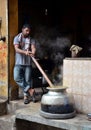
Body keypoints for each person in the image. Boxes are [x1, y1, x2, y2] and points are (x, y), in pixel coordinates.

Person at [13, 24, 36, 104]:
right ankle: (30, 90)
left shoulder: (31, 39)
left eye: (29, 31)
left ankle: (26, 97)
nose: (28, 32)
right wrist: (25, 52)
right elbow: (16, 49)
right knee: (16, 78)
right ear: (22, 29)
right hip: (18, 63)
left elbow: (33, 47)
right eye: (26, 30)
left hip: (28, 63)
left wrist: (33, 52)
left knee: (28, 80)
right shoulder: (17, 38)